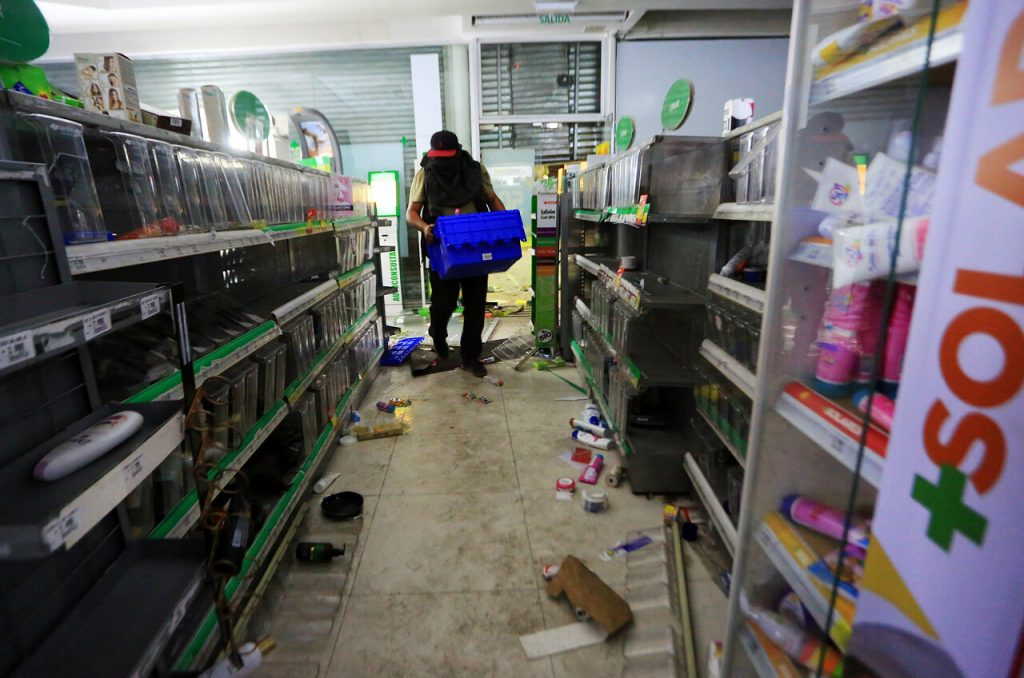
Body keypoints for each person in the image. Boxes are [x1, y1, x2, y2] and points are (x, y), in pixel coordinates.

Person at [407, 130, 506, 377]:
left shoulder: (474, 170)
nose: (441, 160)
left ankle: (471, 357)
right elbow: (412, 212)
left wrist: (504, 225)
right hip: (442, 247)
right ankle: (437, 333)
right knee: (444, 302)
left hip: (474, 246)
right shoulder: (425, 173)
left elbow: (492, 199)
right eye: (437, 155)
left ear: (457, 150)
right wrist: (424, 227)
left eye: (446, 155)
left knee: (475, 304)